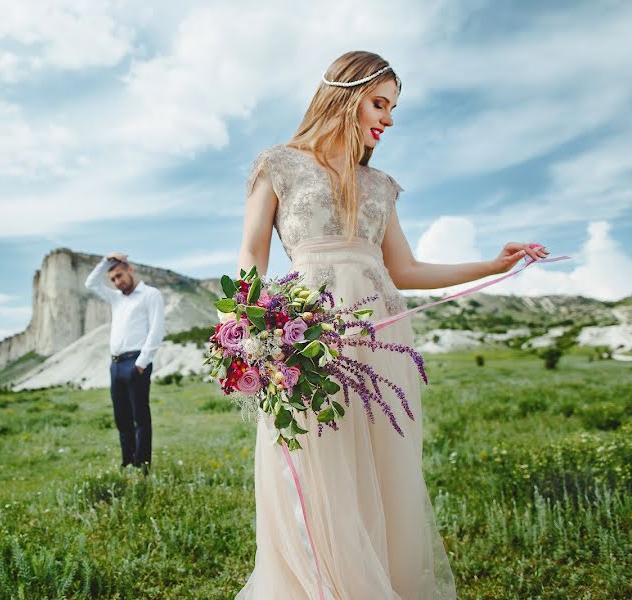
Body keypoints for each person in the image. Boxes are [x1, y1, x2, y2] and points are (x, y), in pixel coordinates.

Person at [235, 51, 549, 599]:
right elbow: (251, 255)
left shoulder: (379, 184)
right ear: (345, 97)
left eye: (393, 107)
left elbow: (405, 270)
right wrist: (250, 326)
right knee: (315, 462)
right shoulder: (279, 164)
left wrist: (493, 264)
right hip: (308, 335)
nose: (389, 118)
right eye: (379, 103)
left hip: (381, 334)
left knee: (382, 467)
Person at [85, 252, 165, 472]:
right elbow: (90, 283)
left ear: (130, 270)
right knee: (122, 419)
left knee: (140, 417)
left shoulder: (150, 295)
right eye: (112, 279)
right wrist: (106, 261)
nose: (117, 282)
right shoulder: (116, 298)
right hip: (116, 364)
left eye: (119, 275)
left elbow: (156, 330)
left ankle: (143, 466)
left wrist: (141, 363)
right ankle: (127, 463)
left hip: (136, 363)